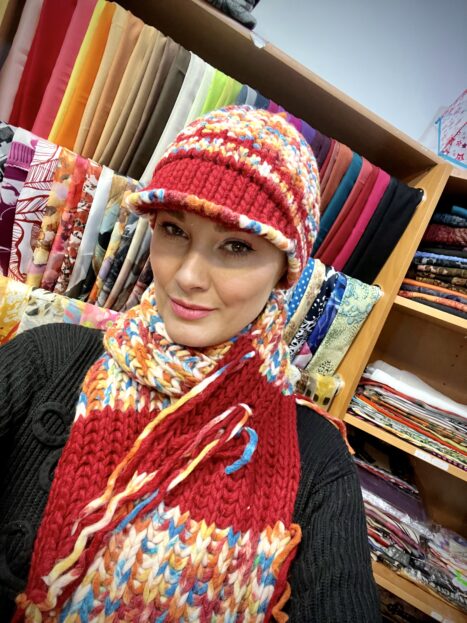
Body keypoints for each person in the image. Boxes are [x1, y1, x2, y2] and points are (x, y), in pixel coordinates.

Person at [0, 106, 381, 622]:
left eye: (236, 246)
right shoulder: (48, 360)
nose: (188, 277)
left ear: (284, 272)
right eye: (174, 230)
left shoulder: (317, 459)